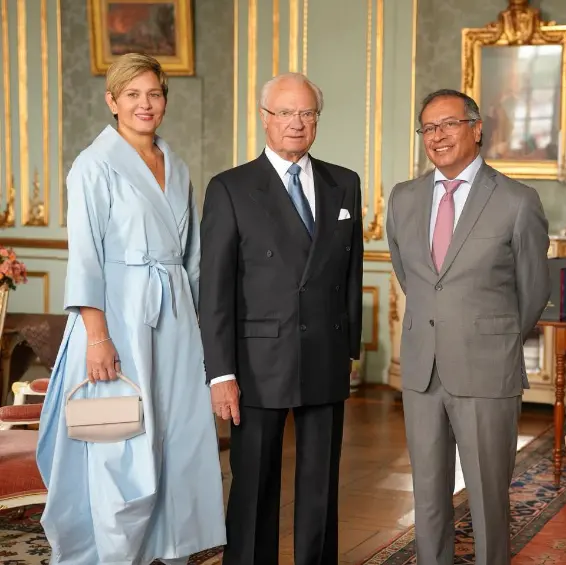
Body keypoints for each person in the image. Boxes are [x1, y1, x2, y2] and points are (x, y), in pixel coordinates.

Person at [36, 53, 226, 565]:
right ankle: (109, 551)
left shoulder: (177, 164)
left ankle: (167, 547)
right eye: (133, 95)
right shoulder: (93, 165)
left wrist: (200, 335)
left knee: (175, 433)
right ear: (112, 101)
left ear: (165, 100)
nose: (145, 104)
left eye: (155, 94)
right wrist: (97, 337)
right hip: (115, 319)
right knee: (119, 436)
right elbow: (85, 257)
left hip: (174, 319)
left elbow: (191, 258)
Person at [199, 72, 363, 565]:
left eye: (307, 113)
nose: (297, 123)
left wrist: (348, 351)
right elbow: (215, 290)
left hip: (325, 356)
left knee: (320, 488)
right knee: (253, 485)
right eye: (286, 113)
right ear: (265, 118)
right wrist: (221, 373)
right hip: (256, 360)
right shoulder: (230, 187)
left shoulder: (344, 182)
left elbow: (350, 274)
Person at [386, 89, 550, 565]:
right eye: (428, 128)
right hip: (422, 371)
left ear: (476, 129)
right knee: (428, 496)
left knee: (487, 498)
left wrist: (488, 338)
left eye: (449, 124)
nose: (437, 136)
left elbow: (533, 290)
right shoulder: (403, 198)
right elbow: (412, 277)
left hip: (485, 369)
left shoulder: (517, 201)